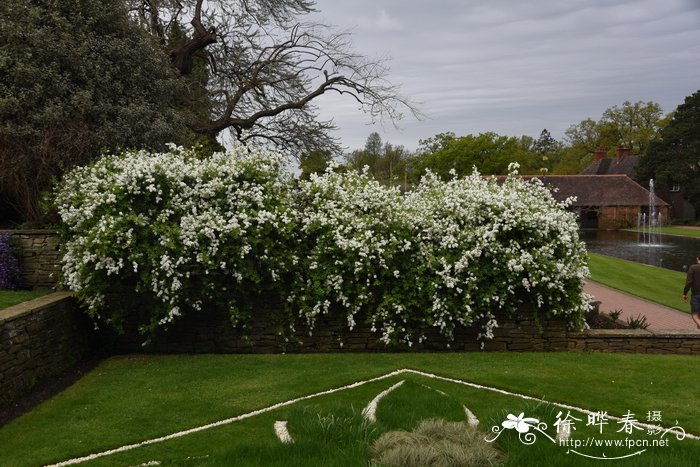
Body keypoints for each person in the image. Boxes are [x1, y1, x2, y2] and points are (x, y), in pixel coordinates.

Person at [682, 255, 700, 329]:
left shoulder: (693, 267)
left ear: (697, 259)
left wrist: (685, 293)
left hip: (696, 295)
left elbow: (689, 282)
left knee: (694, 315)